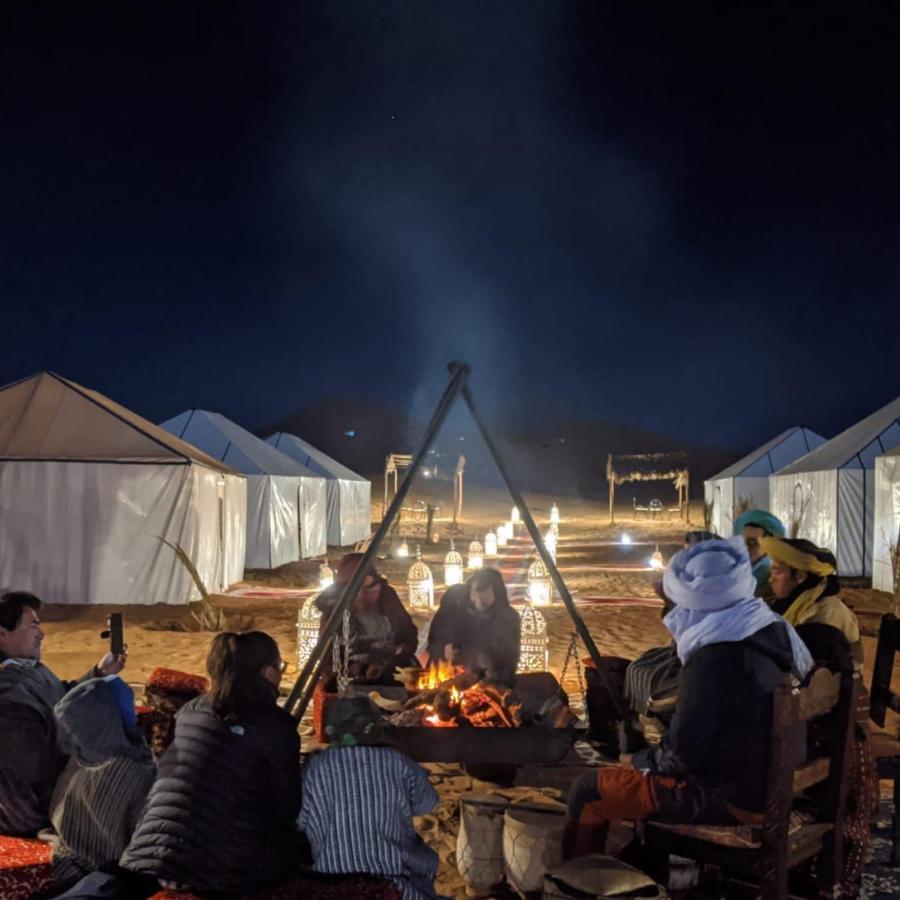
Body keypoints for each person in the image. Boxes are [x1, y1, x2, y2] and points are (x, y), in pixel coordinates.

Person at [564, 538, 813, 858]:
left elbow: (678, 759)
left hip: (735, 799)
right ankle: (642, 864)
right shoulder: (768, 628)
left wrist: (637, 761)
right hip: (777, 786)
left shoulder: (715, 655)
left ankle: (573, 883)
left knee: (587, 790)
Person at [120, 631, 305, 895]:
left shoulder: (188, 712)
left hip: (148, 855)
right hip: (218, 872)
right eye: (280, 668)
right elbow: (287, 807)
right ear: (267, 673)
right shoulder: (275, 725)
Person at [0, 591, 126, 836]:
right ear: (2, 634)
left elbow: (60, 697)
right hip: (29, 811)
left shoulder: (28, 669)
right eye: (33, 625)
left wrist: (99, 674)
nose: (42, 634)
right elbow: (35, 772)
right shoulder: (7, 696)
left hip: (55, 787)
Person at [299, 695, 440, 900]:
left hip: (331, 880)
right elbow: (428, 802)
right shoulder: (398, 762)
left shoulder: (316, 767)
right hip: (391, 882)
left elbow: (301, 821)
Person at [48, 676, 155, 890]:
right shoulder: (136, 770)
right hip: (113, 875)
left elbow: (55, 812)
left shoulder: (79, 758)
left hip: (68, 867)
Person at [761, 536, 862, 670]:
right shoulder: (794, 603)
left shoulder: (823, 613)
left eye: (777, 572)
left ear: (800, 576)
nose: (771, 580)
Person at [317, 554, 419, 682]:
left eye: (368, 586)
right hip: (349, 678)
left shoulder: (387, 596)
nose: (363, 593)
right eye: (355, 586)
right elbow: (329, 657)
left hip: (392, 670)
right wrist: (361, 669)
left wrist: (399, 657)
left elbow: (408, 633)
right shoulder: (334, 605)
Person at [425, 568, 520, 685]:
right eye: (475, 595)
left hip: (488, 681)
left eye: (484, 600)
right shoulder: (455, 603)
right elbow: (435, 637)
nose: (478, 602)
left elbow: (509, 662)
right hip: (448, 674)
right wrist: (444, 647)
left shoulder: (508, 618)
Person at [733, 509, 786, 598]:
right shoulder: (731, 573)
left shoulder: (773, 582)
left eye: (752, 543)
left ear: (769, 546)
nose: (745, 547)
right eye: (740, 542)